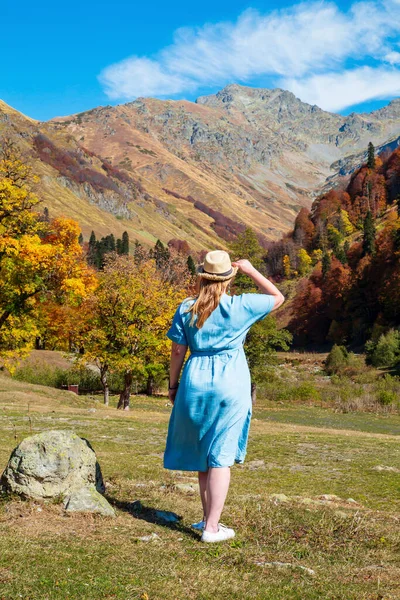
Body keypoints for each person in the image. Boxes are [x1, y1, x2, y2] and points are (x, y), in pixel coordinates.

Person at [164, 250, 285, 543]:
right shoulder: (241, 306)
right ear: (228, 279)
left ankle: (208, 520)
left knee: (203, 453)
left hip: (195, 380)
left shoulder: (186, 308)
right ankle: (212, 528)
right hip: (231, 381)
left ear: (202, 277)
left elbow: (178, 350)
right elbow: (278, 297)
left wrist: (172, 385)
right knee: (221, 456)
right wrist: (251, 270)